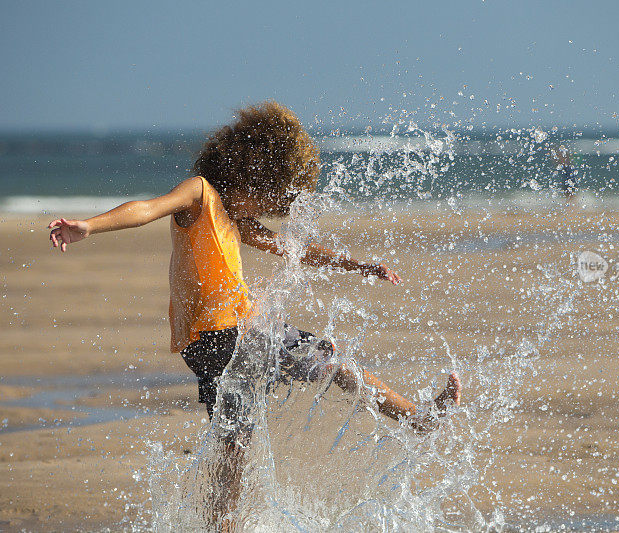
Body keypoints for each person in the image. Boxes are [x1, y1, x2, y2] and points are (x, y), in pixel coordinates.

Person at [47, 101, 461, 529]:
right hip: (222, 338)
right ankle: (418, 420)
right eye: (265, 196)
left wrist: (358, 266)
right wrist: (89, 227)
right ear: (248, 171)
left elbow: (297, 251)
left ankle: (222, 526)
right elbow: (148, 208)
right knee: (304, 378)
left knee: (236, 442)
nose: (263, 209)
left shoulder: (235, 218)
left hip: (224, 339)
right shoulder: (201, 194)